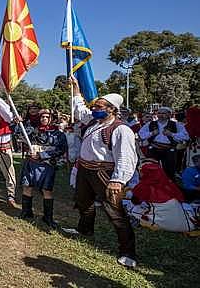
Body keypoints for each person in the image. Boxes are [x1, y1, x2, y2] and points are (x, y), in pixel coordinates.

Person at [63, 77, 139, 268]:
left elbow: (126, 157)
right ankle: (85, 230)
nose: (95, 108)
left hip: (104, 174)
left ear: (112, 109)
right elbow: (80, 109)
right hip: (85, 170)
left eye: (100, 106)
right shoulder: (93, 122)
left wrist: (118, 181)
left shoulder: (121, 129)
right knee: (83, 202)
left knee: (115, 212)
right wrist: (76, 89)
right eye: (95, 106)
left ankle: (128, 252)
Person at [18, 109, 67, 228]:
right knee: (27, 187)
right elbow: (19, 134)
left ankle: (48, 217)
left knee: (47, 190)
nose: (44, 119)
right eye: (42, 117)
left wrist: (42, 155)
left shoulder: (58, 134)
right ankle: (26, 212)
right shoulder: (33, 131)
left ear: (52, 118)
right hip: (31, 163)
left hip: (47, 166)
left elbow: (61, 150)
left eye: (46, 117)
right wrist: (18, 123)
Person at [138, 107, 189, 180]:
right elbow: (141, 134)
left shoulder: (176, 125)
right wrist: (152, 133)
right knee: (151, 169)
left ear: (169, 114)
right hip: (154, 149)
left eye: (163, 113)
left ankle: (168, 187)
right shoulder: (151, 124)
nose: (161, 115)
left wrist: (171, 134)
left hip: (169, 149)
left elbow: (186, 136)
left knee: (169, 172)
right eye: (159, 113)